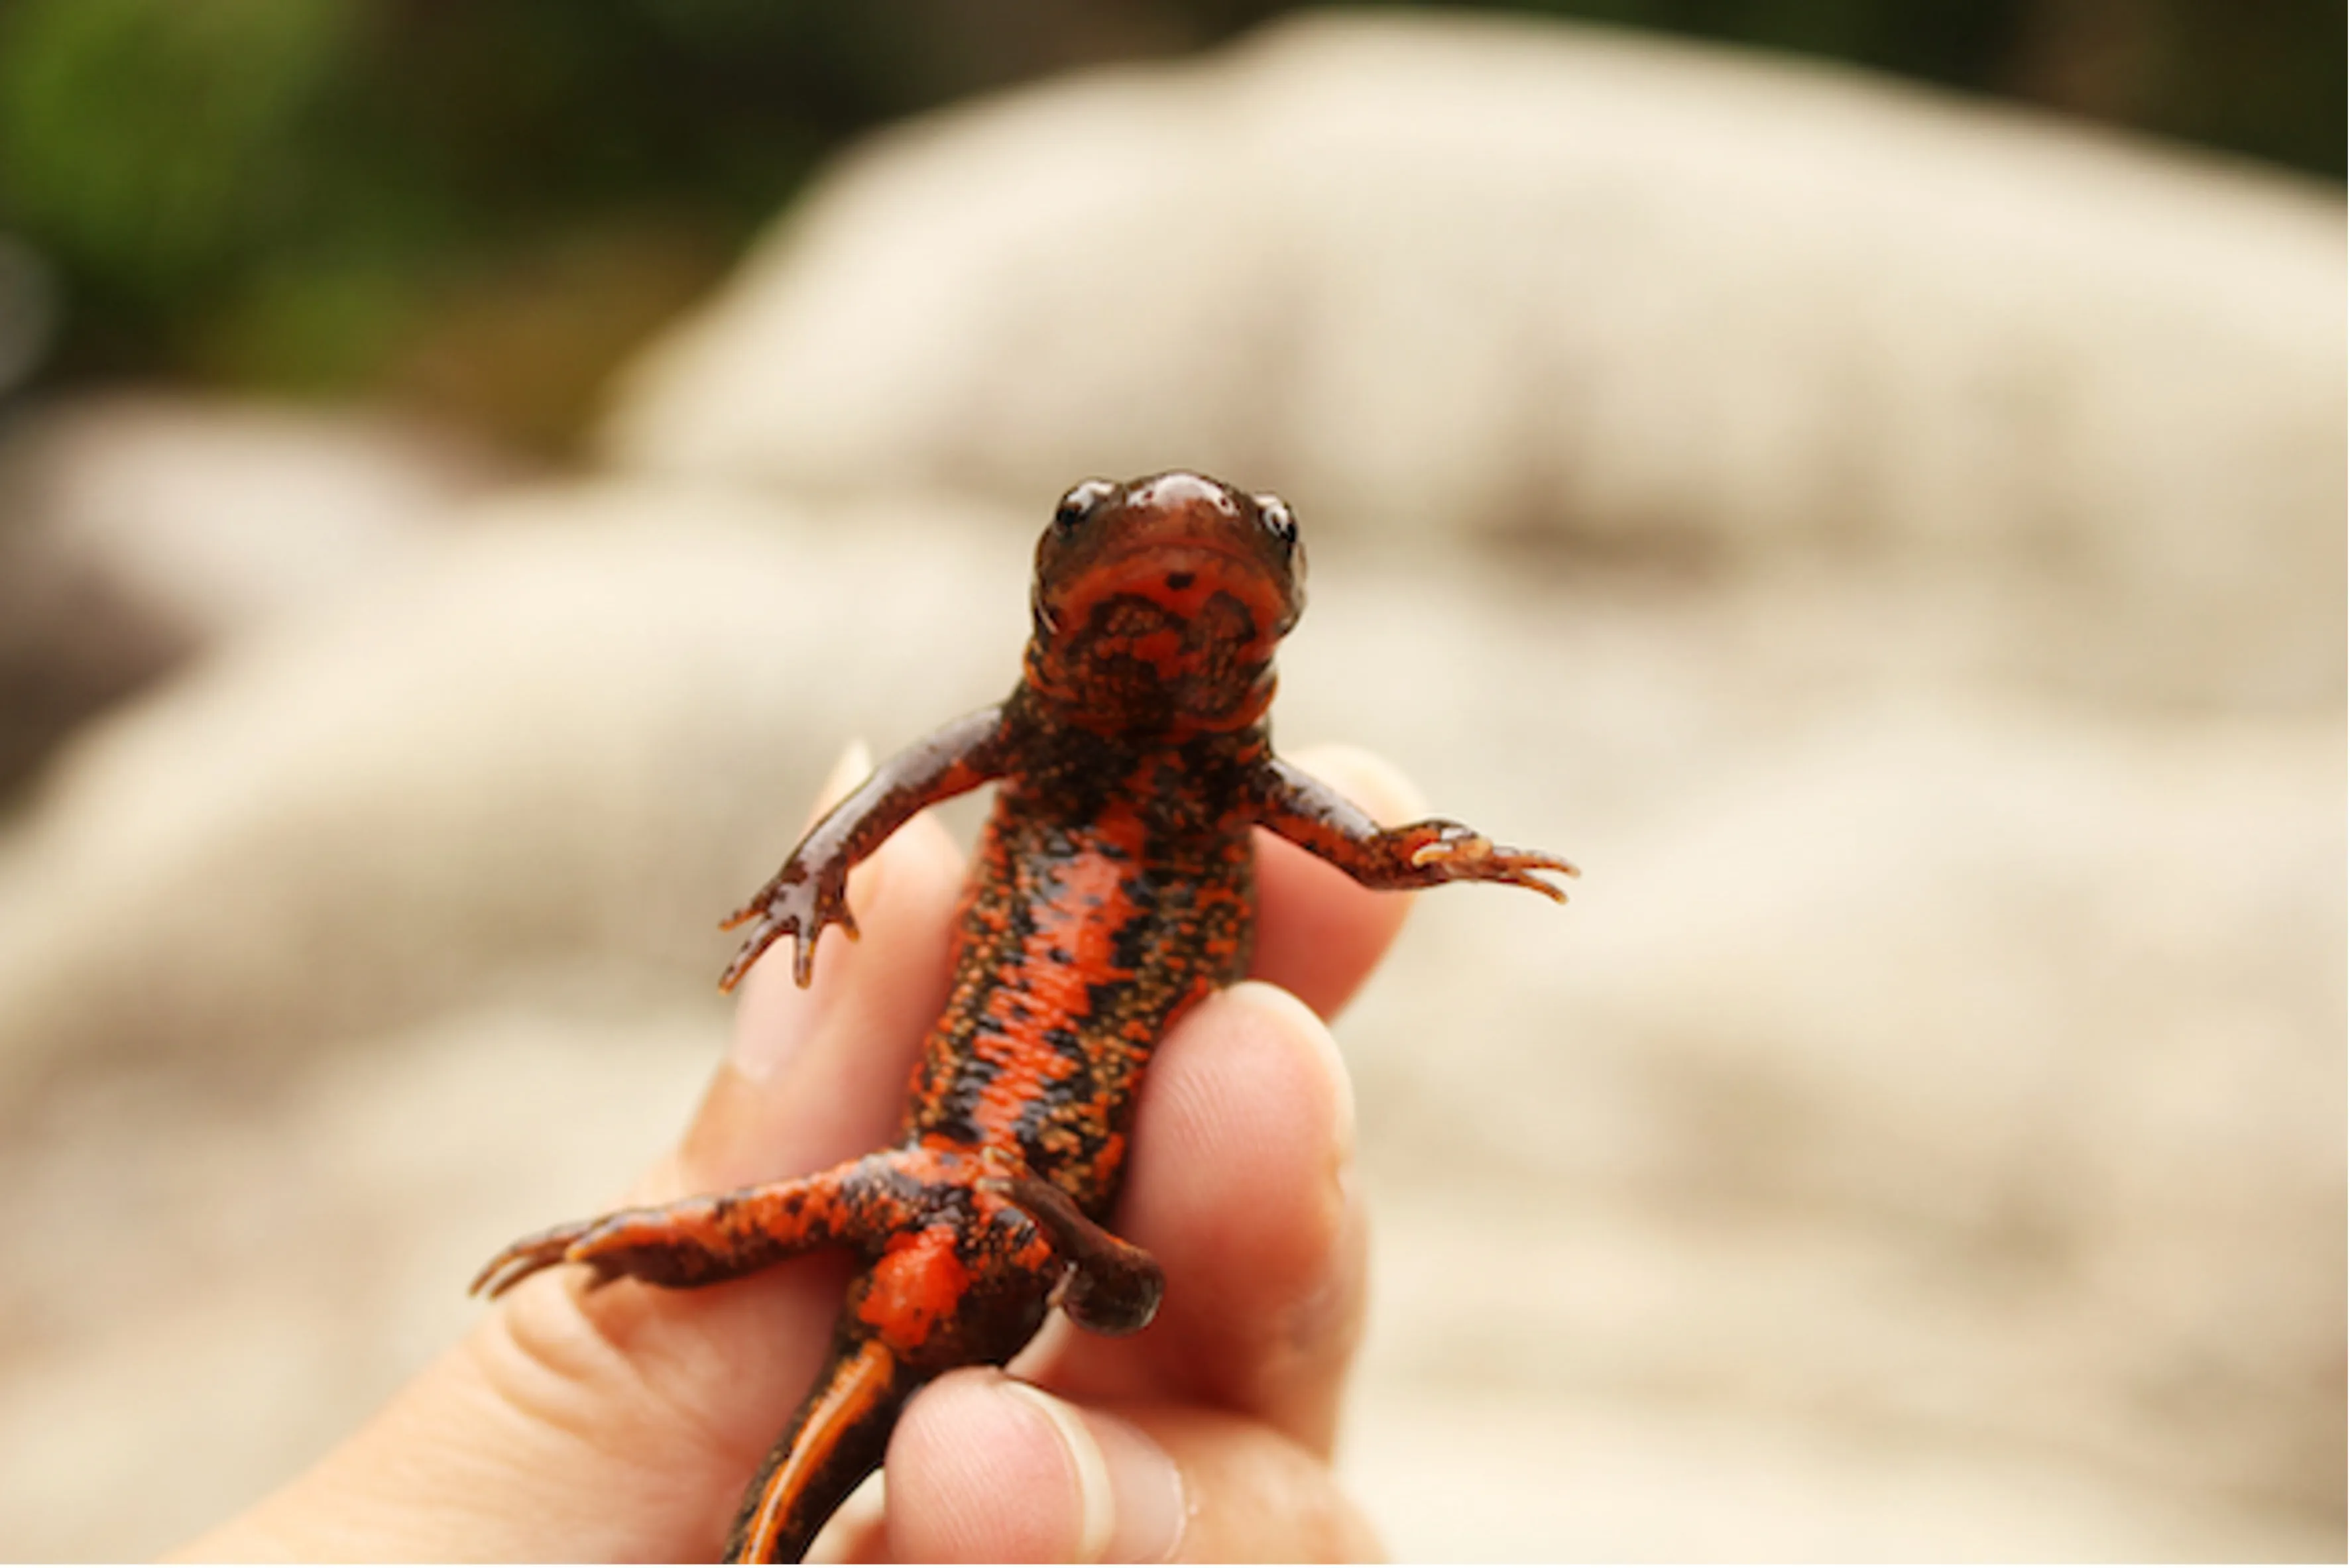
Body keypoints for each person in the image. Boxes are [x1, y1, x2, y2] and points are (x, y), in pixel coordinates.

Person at [174, 743, 1417, 1561]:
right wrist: (812, 876)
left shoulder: (1229, 774)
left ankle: (620, 1246)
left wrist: (1400, 853)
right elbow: (899, 795)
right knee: (815, 1259)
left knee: (881, 1265)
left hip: (1004, 1220)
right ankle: (618, 1249)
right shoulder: (1049, 731)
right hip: (965, 1188)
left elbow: (1134, 1292)